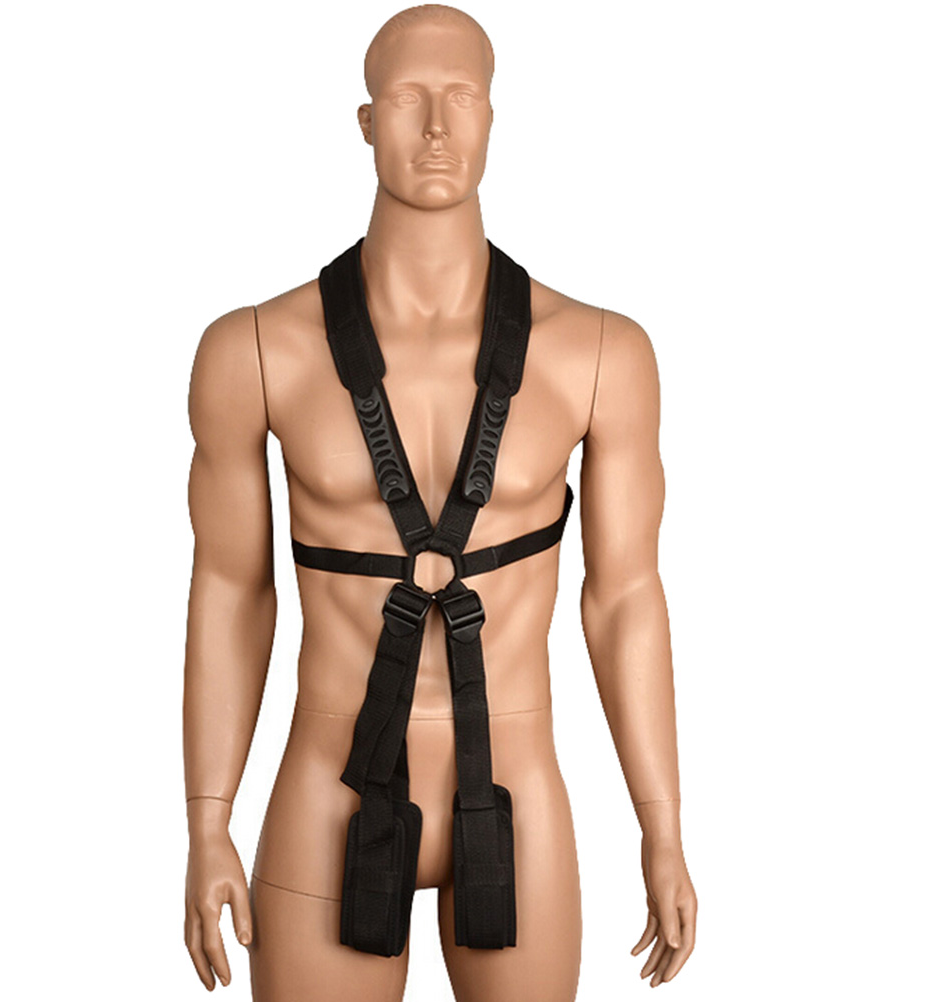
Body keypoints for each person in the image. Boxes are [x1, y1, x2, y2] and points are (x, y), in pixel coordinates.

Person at [183, 5, 697, 999]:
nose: (434, 127)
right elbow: (230, 591)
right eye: (407, 99)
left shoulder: (601, 355)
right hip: (329, 786)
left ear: (493, 118)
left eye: (461, 98)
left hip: (516, 788)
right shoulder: (254, 353)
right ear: (364, 120)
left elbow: (624, 598)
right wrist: (208, 823)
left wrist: (663, 828)